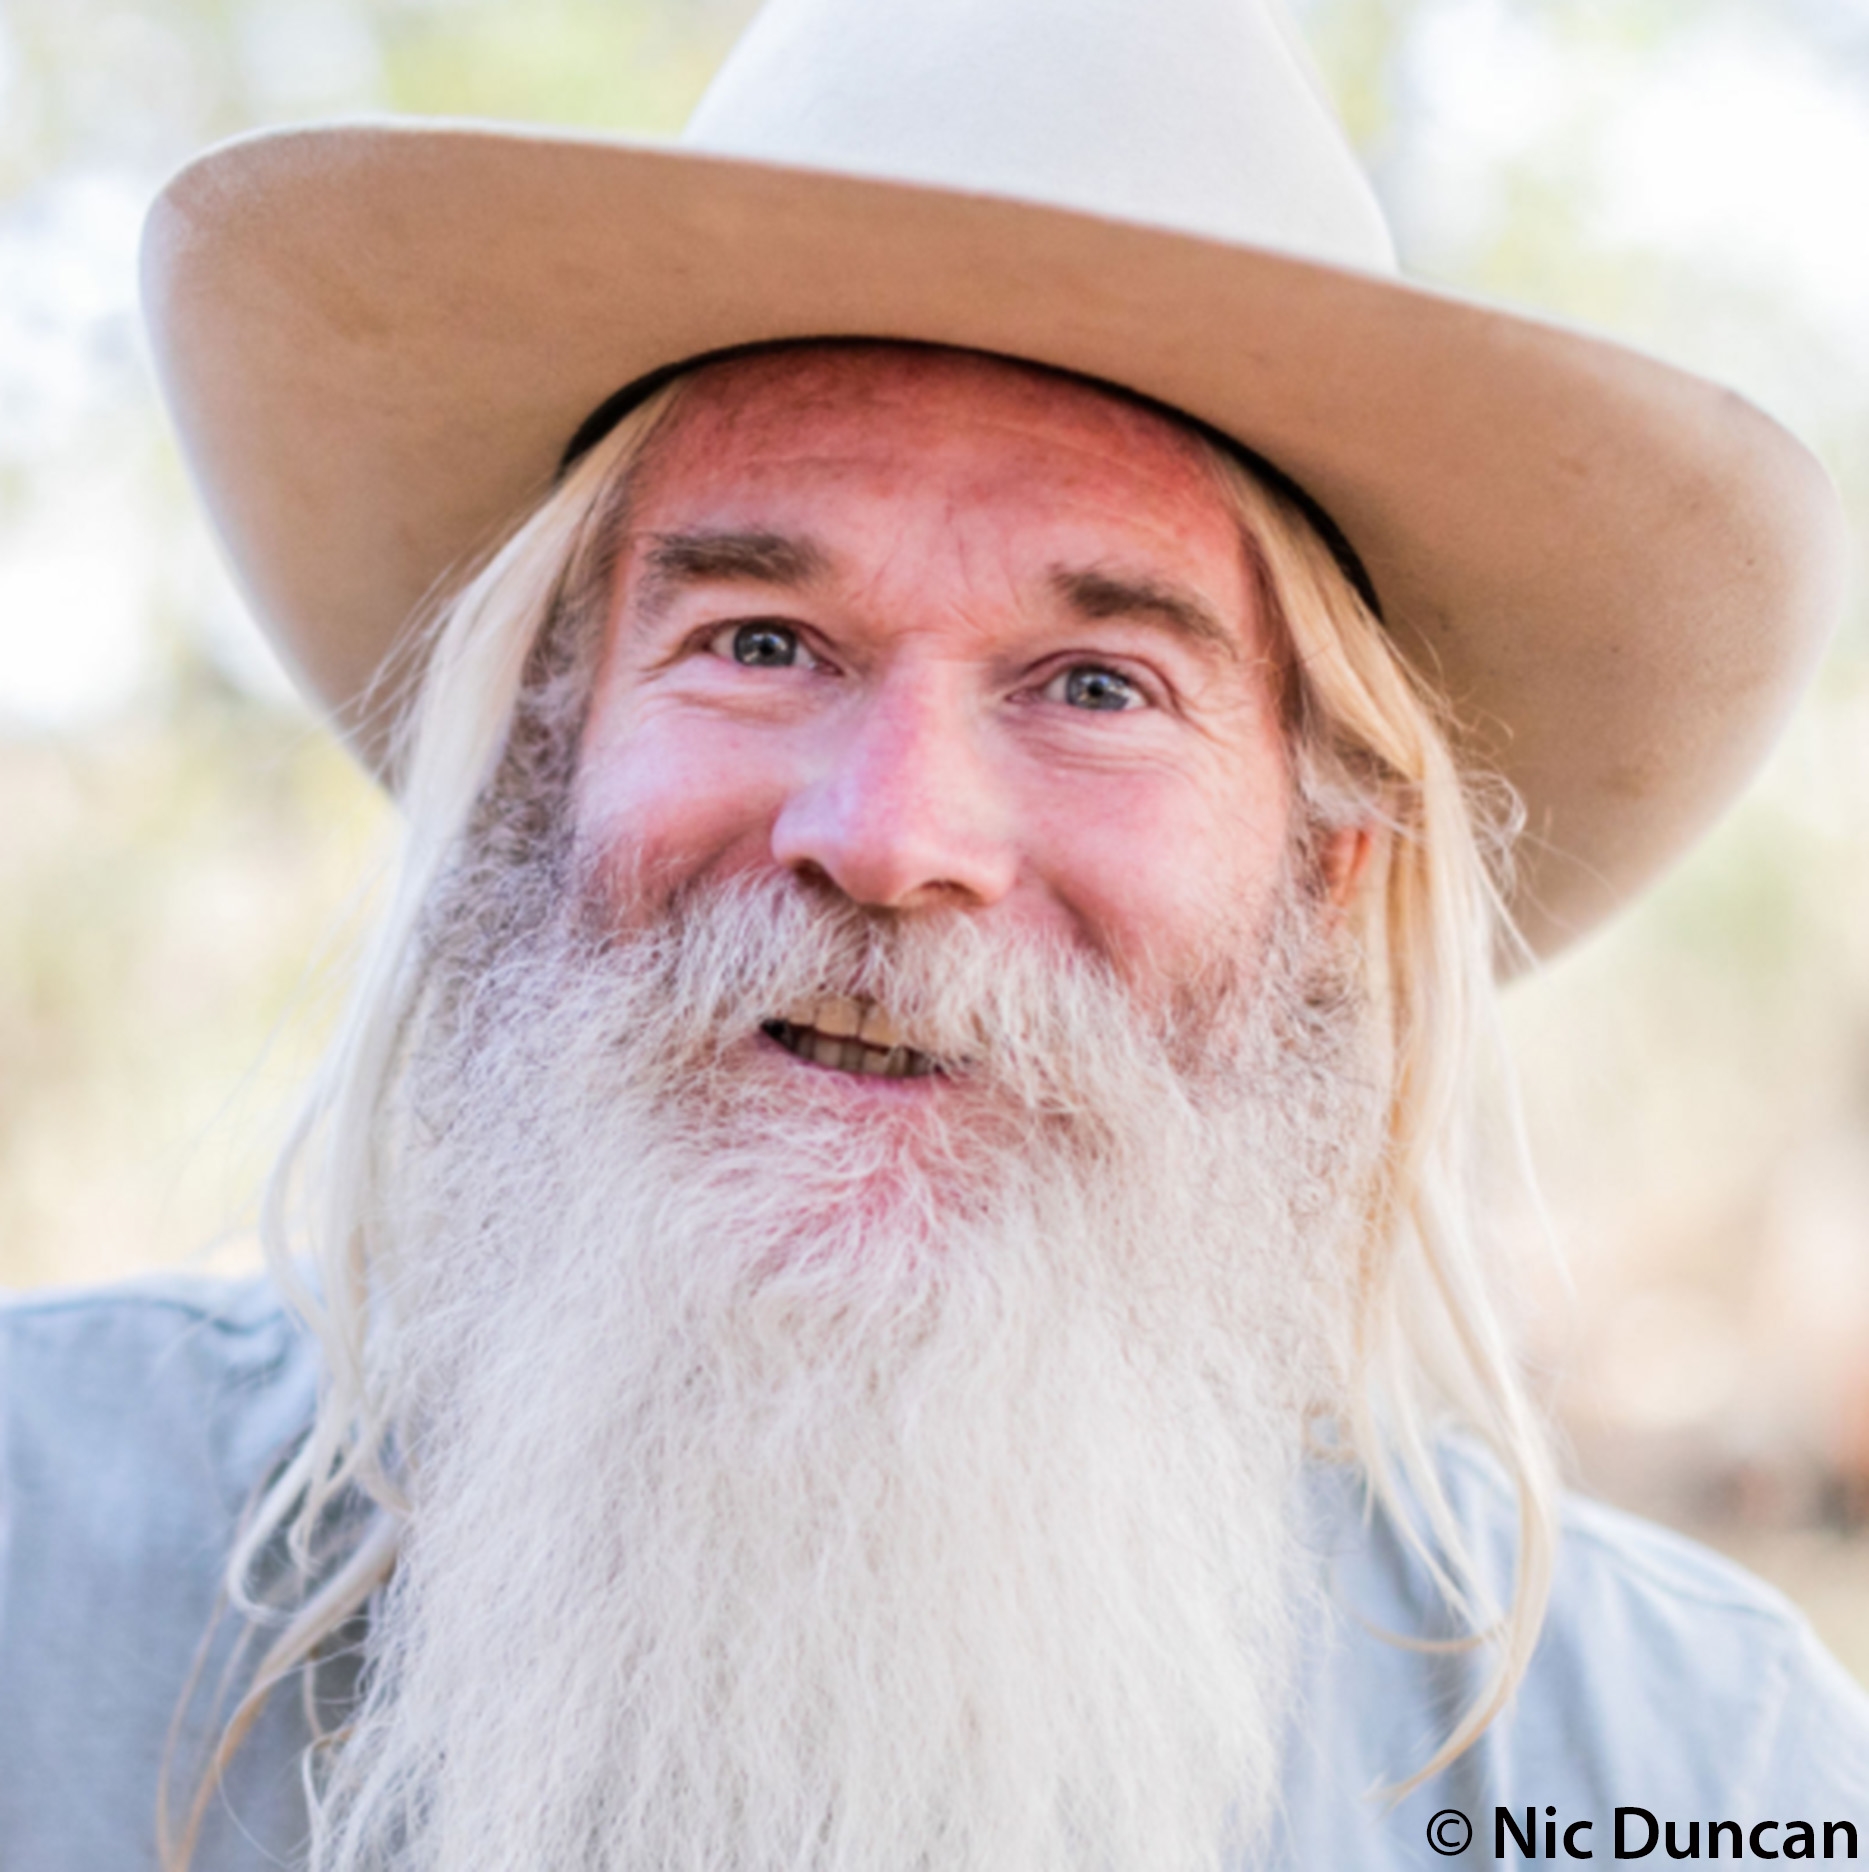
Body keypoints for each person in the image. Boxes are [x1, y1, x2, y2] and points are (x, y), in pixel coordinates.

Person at [3, 0, 1865, 1867]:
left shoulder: (1689, 1770)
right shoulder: (37, 1557)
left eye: (1095, 685)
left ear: (1326, 879)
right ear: (540, 759)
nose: (888, 837)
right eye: (755, 643)